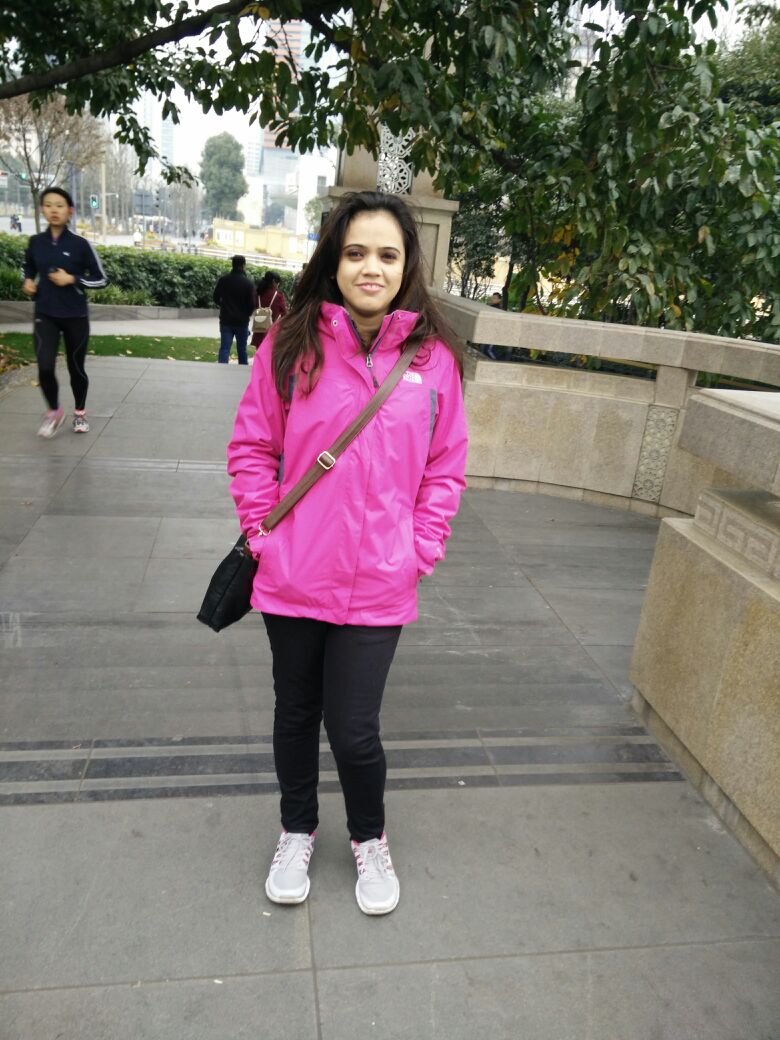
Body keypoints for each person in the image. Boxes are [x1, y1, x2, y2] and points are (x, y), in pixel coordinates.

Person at [226, 190, 468, 916]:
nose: (371, 268)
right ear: (334, 260)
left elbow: (445, 468)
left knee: (355, 730)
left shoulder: (434, 361)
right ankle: (297, 829)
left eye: (387, 255)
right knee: (296, 714)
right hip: (293, 575)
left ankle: (369, 836)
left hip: (380, 583)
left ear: (406, 266)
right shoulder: (290, 343)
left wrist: (419, 548)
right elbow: (252, 446)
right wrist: (264, 535)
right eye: (356, 252)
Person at [22, 185, 108, 437]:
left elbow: (101, 279)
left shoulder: (81, 245)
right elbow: (27, 266)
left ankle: (79, 412)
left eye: (59, 206)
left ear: (70, 211)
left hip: (75, 316)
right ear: (42, 209)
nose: (54, 210)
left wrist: (72, 279)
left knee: (76, 368)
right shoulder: (36, 242)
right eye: (48, 205)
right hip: (45, 313)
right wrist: (27, 280)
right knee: (44, 367)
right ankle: (54, 412)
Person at [213, 255, 256, 365]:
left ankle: (222, 368)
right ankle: (242, 369)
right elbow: (252, 304)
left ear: (232, 265)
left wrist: (223, 305)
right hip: (242, 321)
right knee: (242, 349)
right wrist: (246, 314)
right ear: (243, 265)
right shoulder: (248, 283)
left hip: (226, 319)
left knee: (224, 348)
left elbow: (215, 297)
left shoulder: (224, 280)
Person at [250, 270, 287, 350]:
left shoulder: (258, 293)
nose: (278, 285)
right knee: (268, 352)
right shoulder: (278, 296)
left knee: (259, 351)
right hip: (271, 330)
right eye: (278, 283)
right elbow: (285, 313)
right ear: (273, 282)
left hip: (259, 328)